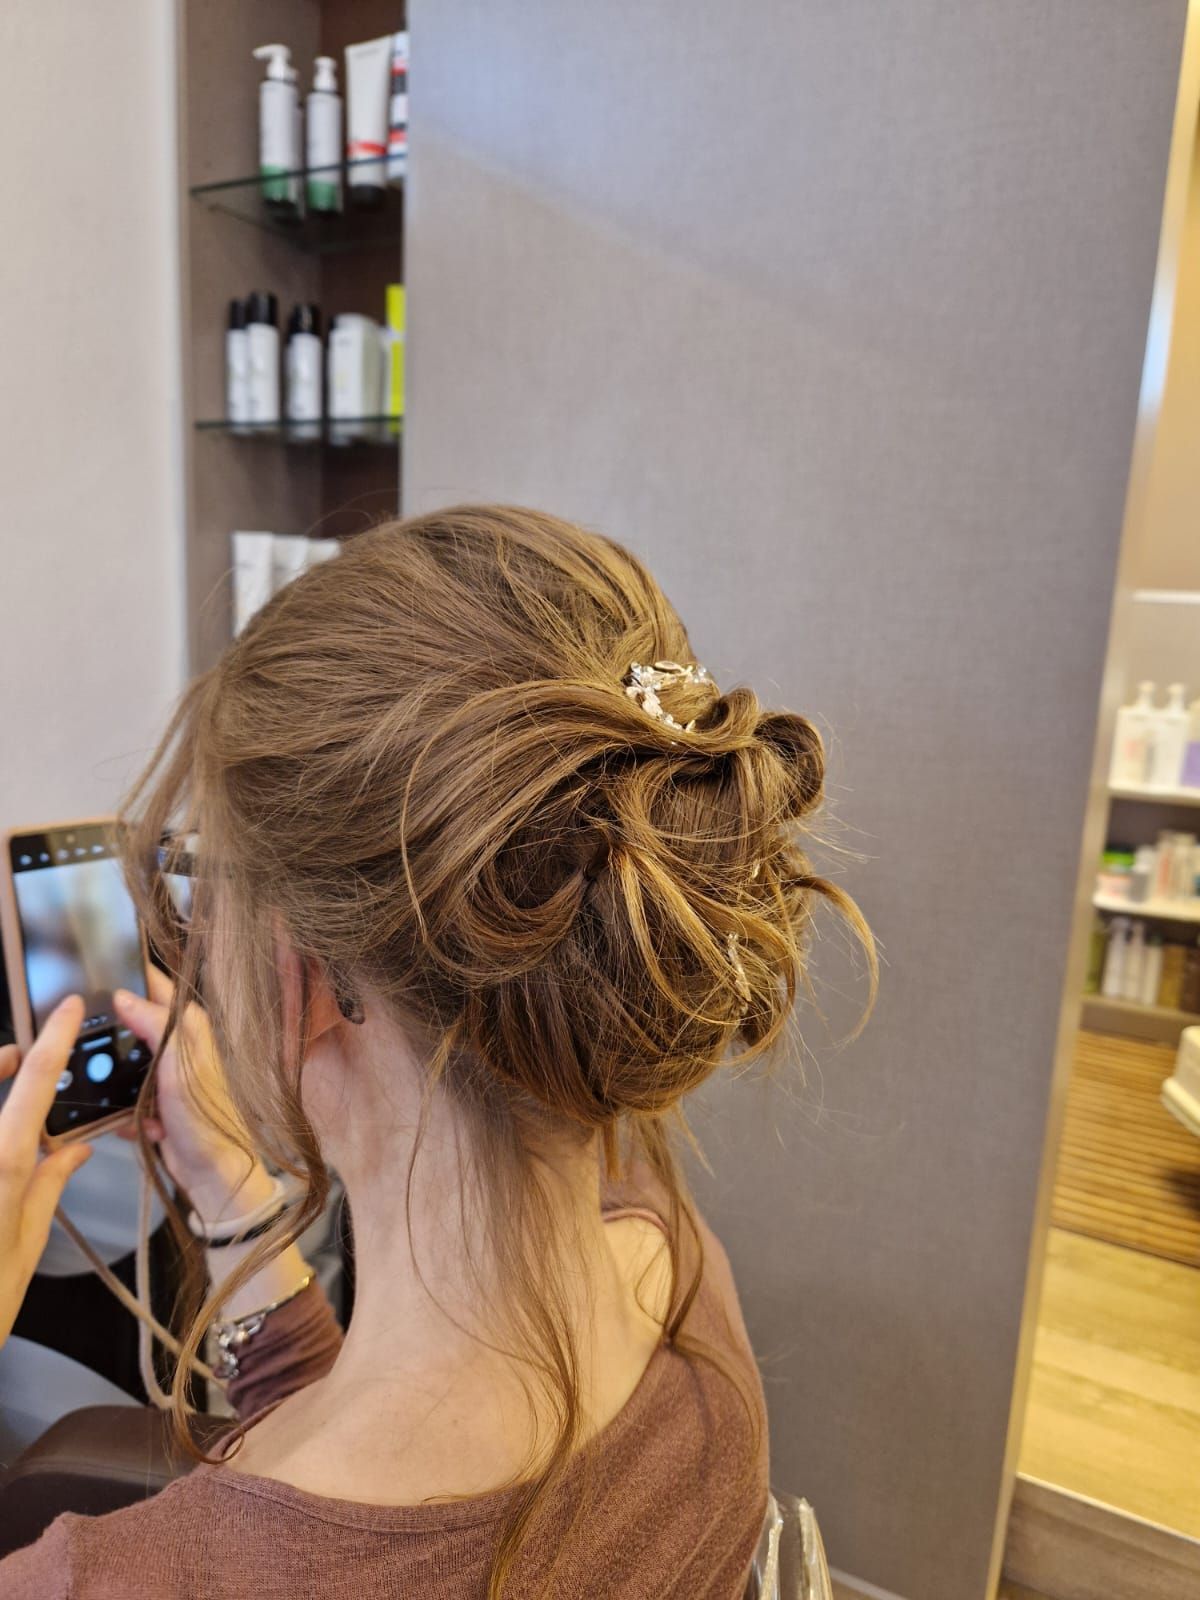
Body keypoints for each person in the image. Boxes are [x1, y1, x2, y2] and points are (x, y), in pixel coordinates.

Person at [0, 506, 871, 1598]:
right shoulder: (676, 1267)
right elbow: (380, 1484)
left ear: (292, 969)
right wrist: (226, 1187)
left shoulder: (109, 1580)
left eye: (209, 882)